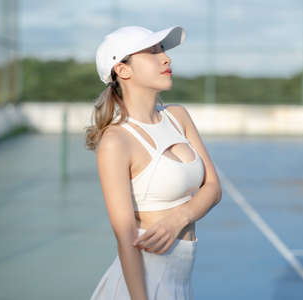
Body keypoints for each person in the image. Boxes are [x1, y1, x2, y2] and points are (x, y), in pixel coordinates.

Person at [85, 25, 222, 300]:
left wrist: (178, 218)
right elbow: (126, 238)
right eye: (152, 51)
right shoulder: (116, 141)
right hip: (141, 287)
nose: (166, 58)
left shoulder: (178, 116)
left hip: (179, 282)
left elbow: (213, 188)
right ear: (123, 70)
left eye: (163, 50)